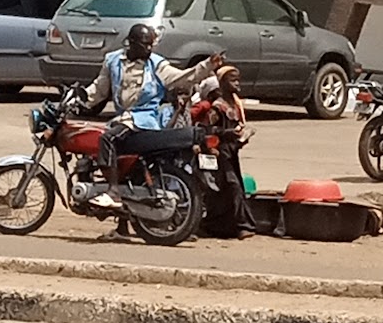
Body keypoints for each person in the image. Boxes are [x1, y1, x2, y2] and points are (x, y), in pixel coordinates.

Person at [80, 24, 221, 210]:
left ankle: (113, 192)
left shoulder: (157, 64)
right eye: (145, 44)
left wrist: (207, 65)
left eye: (151, 45)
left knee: (107, 139)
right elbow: (99, 89)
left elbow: (184, 77)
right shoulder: (112, 60)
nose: (149, 49)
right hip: (122, 120)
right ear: (131, 43)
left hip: (142, 121)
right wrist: (79, 99)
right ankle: (121, 212)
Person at [192, 63, 257, 239]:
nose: (237, 84)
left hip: (231, 152)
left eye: (238, 80)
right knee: (232, 186)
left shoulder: (234, 105)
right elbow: (207, 130)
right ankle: (242, 226)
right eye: (232, 80)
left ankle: (217, 226)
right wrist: (227, 133)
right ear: (222, 83)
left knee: (229, 189)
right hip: (219, 153)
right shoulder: (217, 107)